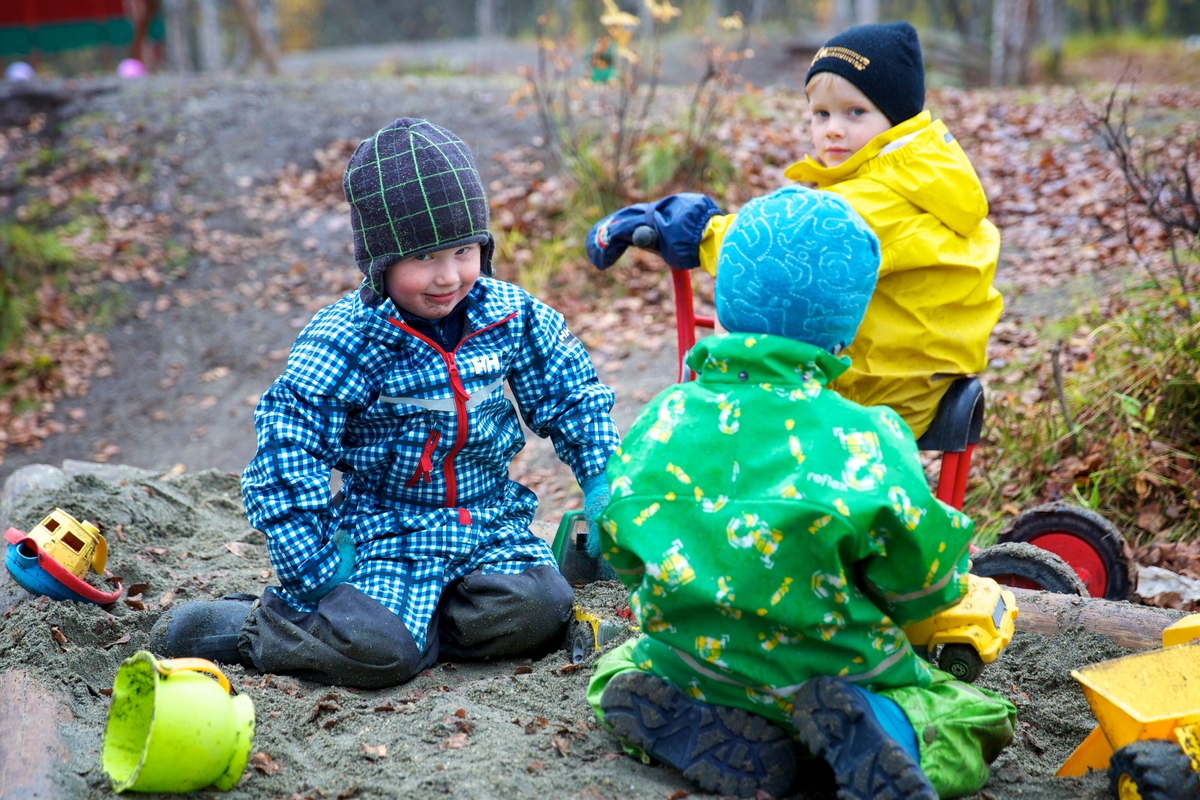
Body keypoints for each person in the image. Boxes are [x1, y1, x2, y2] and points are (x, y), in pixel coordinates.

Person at [151, 118, 620, 688]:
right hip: (387, 530)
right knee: (377, 651)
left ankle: (411, 630)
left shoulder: (508, 315)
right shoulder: (350, 340)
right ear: (379, 261)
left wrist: (600, 481)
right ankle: (261, 626)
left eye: (464, 250)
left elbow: (572, 391)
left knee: (543, 607)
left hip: (484, 520)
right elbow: (287, 454)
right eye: (424, 258)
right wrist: (316, 570)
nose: (449, 276)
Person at [587, 187, 1016, 800]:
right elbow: (917, 584)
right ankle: (880, 728)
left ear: (725, 307)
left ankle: (707, 728)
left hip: (697, 664)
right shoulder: (870, 437)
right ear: (845, 335)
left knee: (618, 671)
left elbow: (624, 550)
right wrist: (946, 587)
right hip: (836, 669)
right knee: (972, 716)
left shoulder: (662, 420)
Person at [585, 21, 1003, 439]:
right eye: (821, 114)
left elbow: (781, 243)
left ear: (896, 117)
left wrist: (694, 231)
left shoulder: (885, 197)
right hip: (907, 380)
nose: (833, 128)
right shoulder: (921, 177)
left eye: (855, 112)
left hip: (872, 396)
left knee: (741, 357)